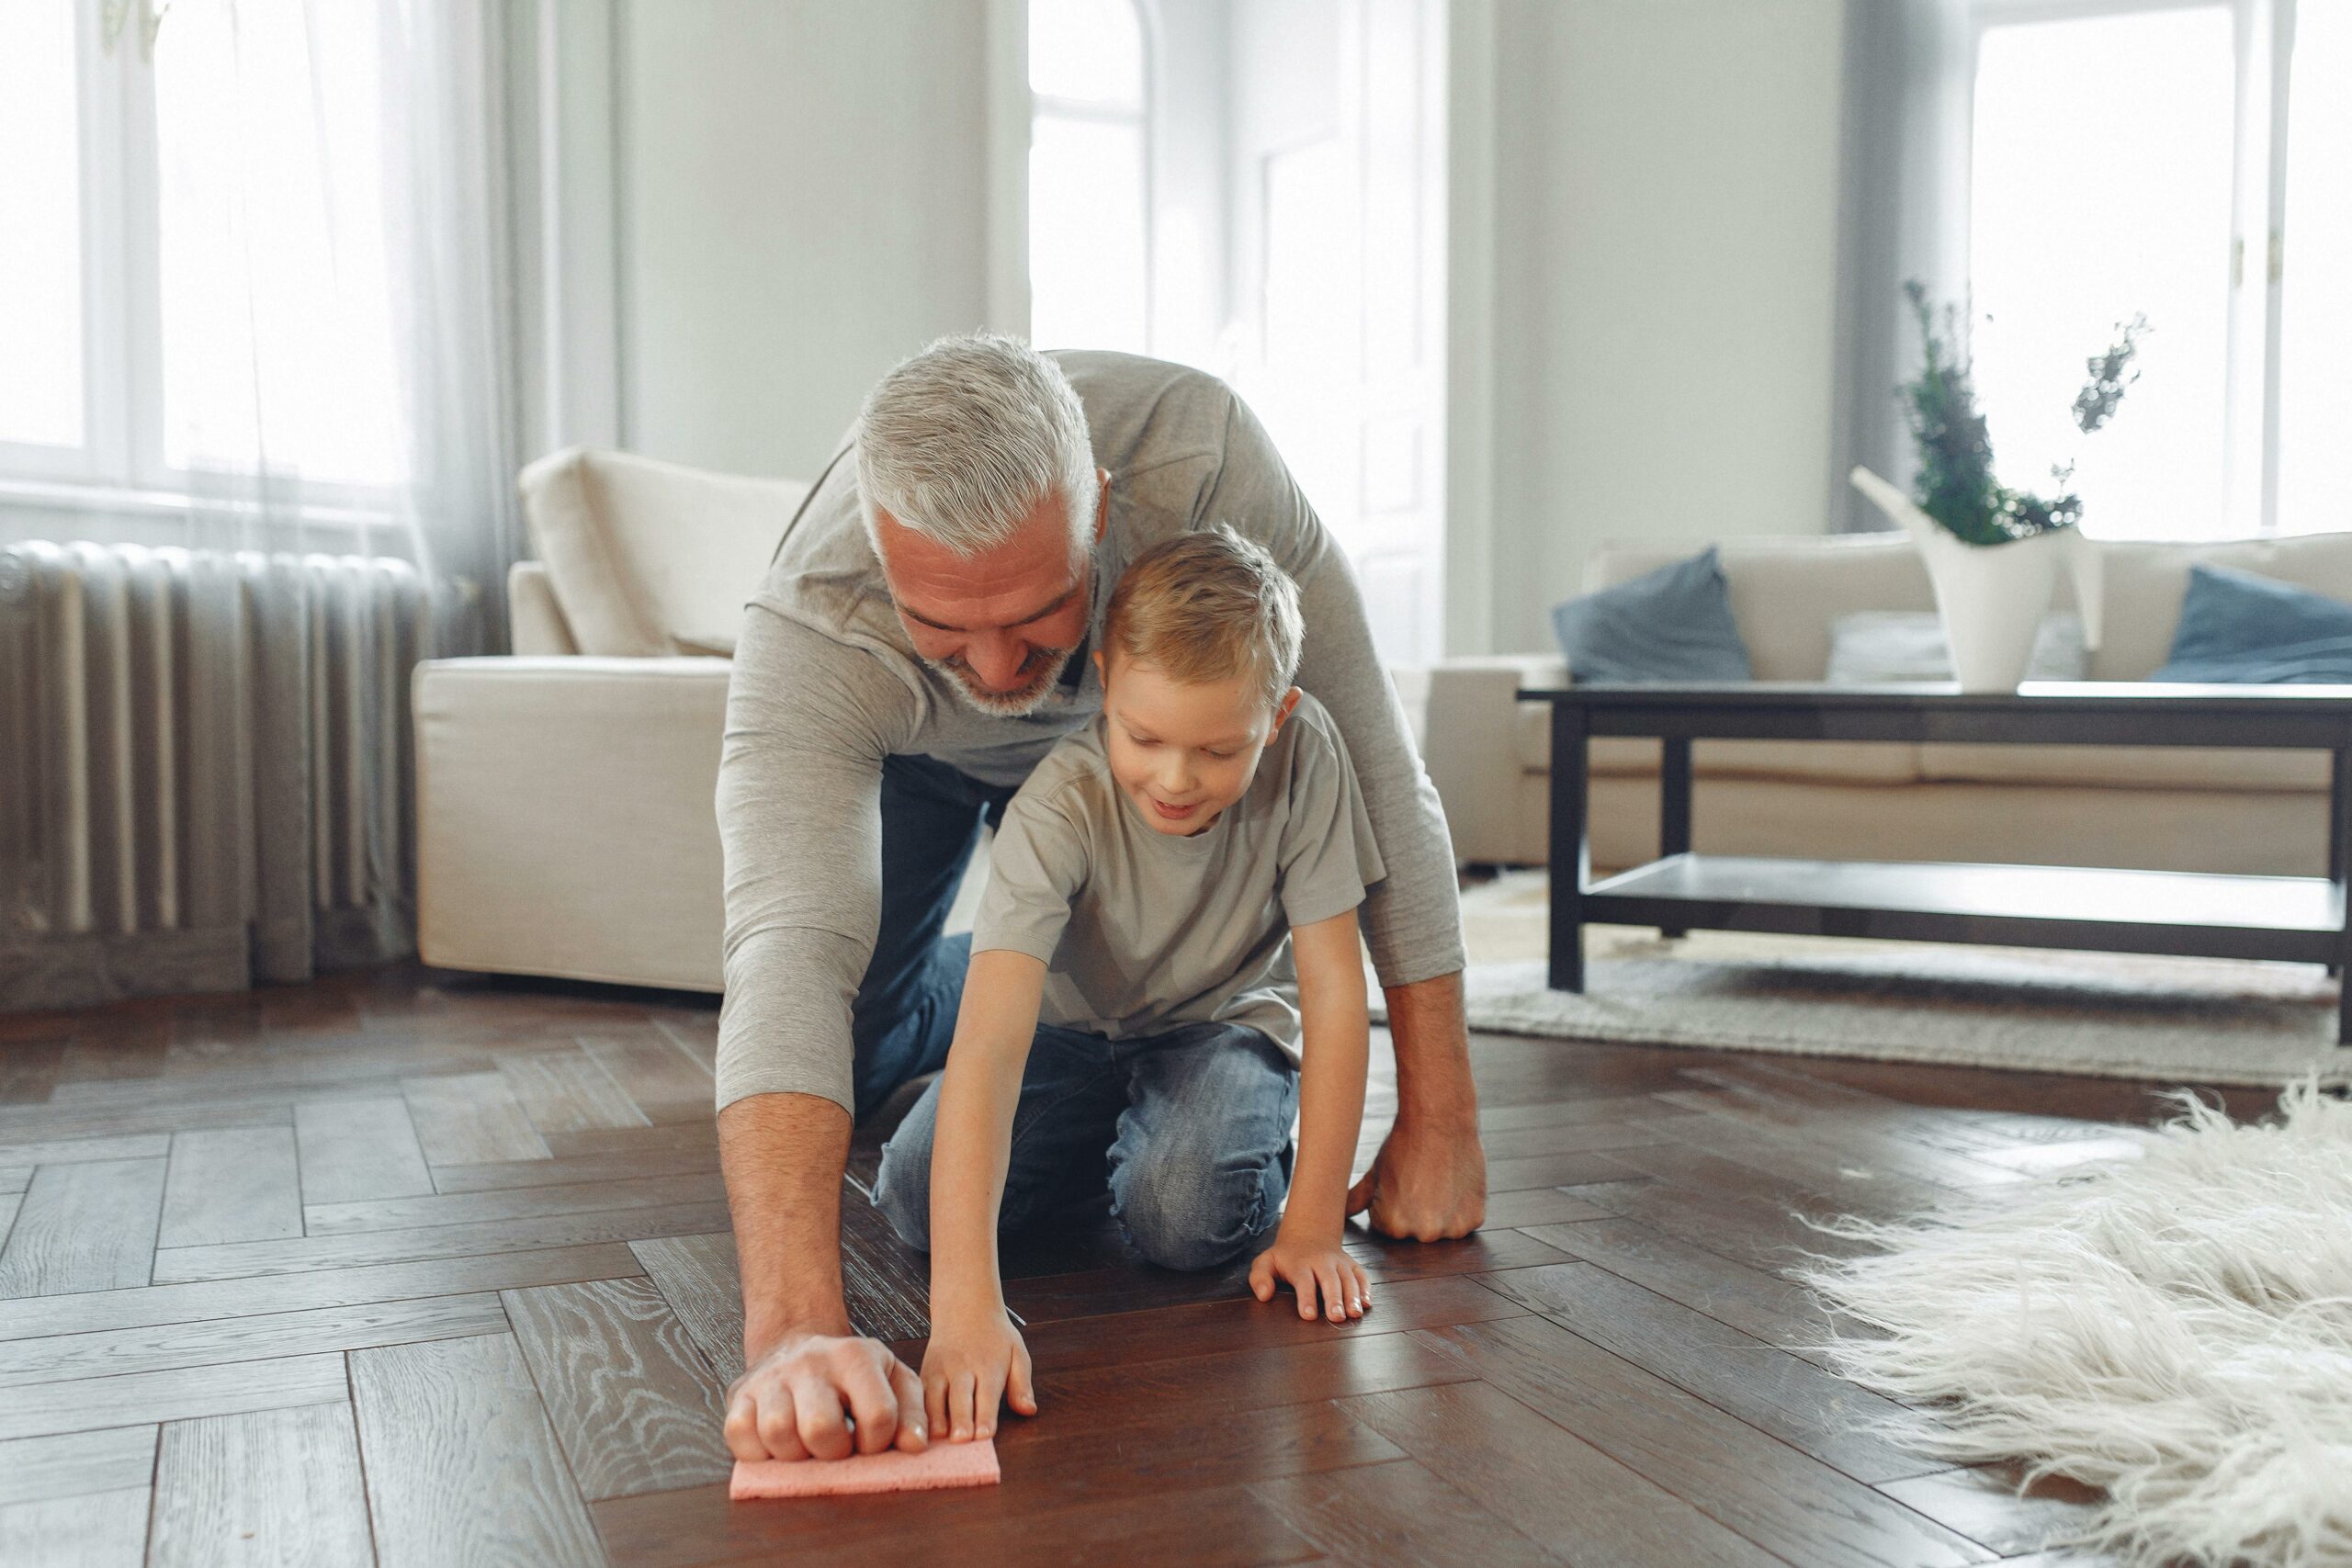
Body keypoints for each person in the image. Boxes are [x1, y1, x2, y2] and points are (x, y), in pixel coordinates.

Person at [716, 333, 1484, 1467]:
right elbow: (785, 940)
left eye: (1032, 612)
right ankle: (972, 973)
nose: (991, 667)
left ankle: (1067, 989)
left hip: (1130, 744)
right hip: (921, 760)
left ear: (1105, 514)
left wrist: (1443, 1121)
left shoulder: (1204, 465)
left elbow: (1378, 775)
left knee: (1175, 1186)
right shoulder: (814, 622)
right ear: (881, 560)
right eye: (941, 623)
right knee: (853, 1039)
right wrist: (793, 1332)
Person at [870, 528, 1381, 1443]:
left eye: (1220, 751)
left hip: (1219, 1028)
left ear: (1278, 715)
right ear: (1105, 681)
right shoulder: (1059, 804)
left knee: (1183, 1219)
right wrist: (965, 1309)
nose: (1176, 779)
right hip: (1068, 1035)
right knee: (912, 1196)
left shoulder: (1309, 758)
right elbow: (987, 1045)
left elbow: (1337, 996)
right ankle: (1110, 1145)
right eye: (1144, 738)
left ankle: (1226, 1151)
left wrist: (1311, 1226)